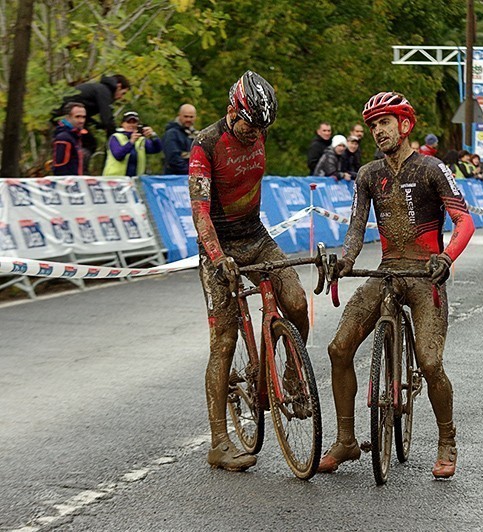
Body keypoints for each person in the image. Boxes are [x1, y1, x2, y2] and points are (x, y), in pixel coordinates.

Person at [320, 92, 475, 479]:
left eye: (384, 122)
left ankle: (446, 440)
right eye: (373, 125)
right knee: (339, 348)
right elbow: (356, 226)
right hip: (387, 271)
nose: (378, 131)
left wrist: (447, 257)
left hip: (426, 274)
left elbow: (464, 222)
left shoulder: (432, 168)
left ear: (405, 125)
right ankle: (346, 440)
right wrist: (346, 260)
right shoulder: (369, 174)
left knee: (430, 361)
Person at [189, 70, 309, 471]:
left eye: (261, 128)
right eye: (248, 125)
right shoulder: (205, 145)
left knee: (296, 301)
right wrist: (215, 255)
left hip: (256, 236)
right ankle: (219, 443)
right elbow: (200, 211)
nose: (253, 134)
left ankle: (291, 377)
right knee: (223, 340)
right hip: (218, 246)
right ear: (231, 111)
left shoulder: (259, 130)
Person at [54, 74, 130, 155]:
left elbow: (86, 114)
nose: (121, 97)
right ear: (119, 86)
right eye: (123, 93)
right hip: (65, 116)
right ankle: (77, 165)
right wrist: (117, 138)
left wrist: (97, 125)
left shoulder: (99, 89)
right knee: (89, 144)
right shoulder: (104, 91)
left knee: (83, 143)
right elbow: (107, 120)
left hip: (62, 115)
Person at [102, 111, 162, 177]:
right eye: (128, 122)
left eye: (134, 122)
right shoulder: (116, 137)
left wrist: (153, 135)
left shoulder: (140, 140)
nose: (131, 125)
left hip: (134, 180)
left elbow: (157, 149)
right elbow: (118, 155)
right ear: (123, 124)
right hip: (115, 180)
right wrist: (131, 142)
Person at [52, 102, 87, 176]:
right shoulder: (63, 138)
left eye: (83, 117)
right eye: (77, 117)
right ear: (68, 117)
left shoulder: (75, 135)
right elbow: (60, 167)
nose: (82, 121)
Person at [162, 104, 198, 174]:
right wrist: (190, 170)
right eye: (186, 116)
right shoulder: (172, 134)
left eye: (191, 117)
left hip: (191, 177)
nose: (188, 119)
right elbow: (173, 158)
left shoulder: (195, 134)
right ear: (179, 115)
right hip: (175, 178)